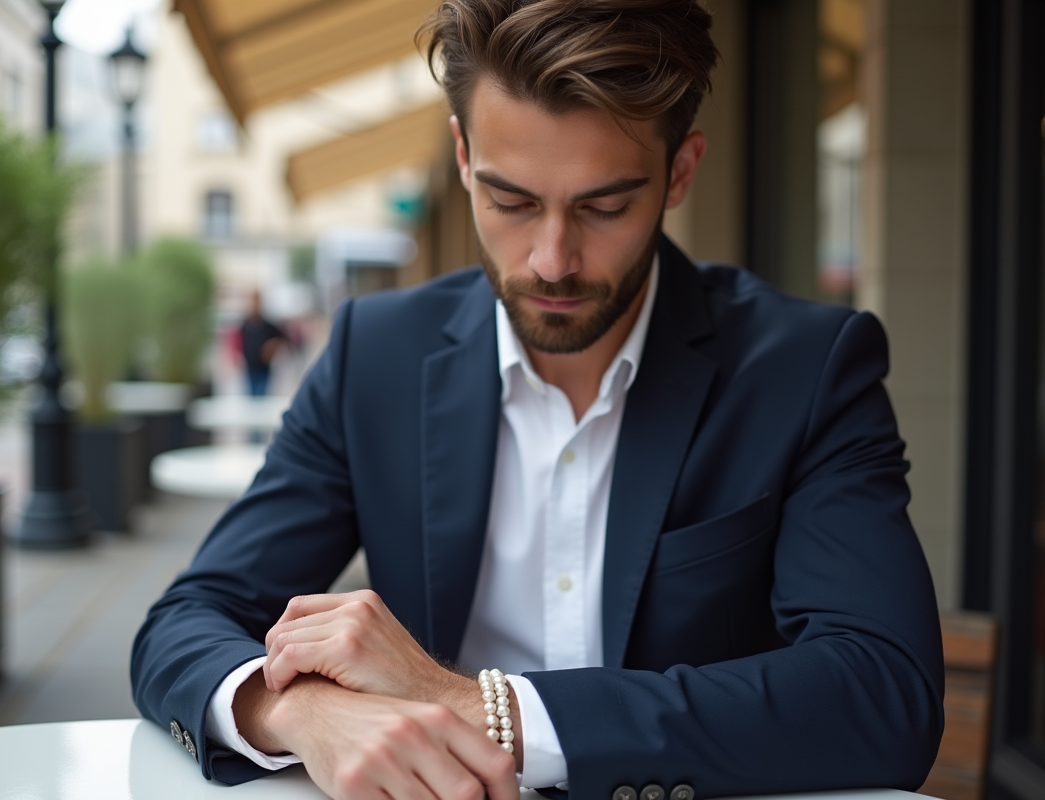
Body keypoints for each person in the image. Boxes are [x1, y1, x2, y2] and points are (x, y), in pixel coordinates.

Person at [131, 2, 944, 799]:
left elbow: (885, 691)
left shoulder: (806, 369)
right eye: (511, 201)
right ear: (462, 155)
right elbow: (187, 619)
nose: (552, 260)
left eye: (604, 206)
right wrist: (301, 710)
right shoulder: (374, 356)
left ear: (681, 172)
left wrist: (479, 710)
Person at [238, 289, 286, 397]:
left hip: (264, 367)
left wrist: (272, 347)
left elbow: (283, 338)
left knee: (261, 395)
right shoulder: (245, 324)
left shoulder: (268, 325)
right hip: (249, 366)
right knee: (251, 395)